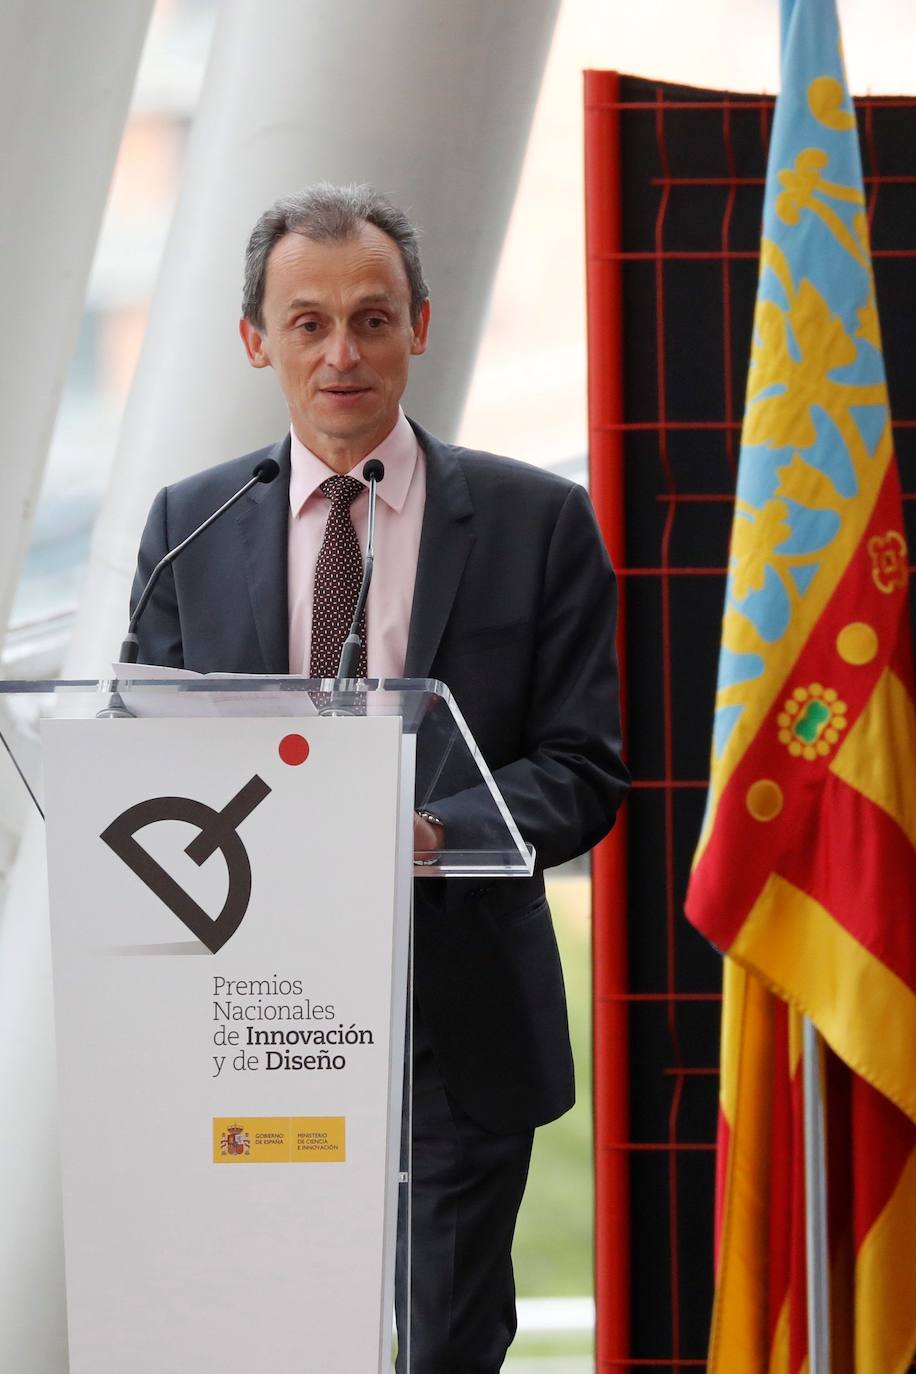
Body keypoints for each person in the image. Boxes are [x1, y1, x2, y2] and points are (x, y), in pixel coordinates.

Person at [131, 183, 629, 1372]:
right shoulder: (189, 524)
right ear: (258, 341)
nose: (341, 352)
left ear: (421, 325)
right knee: (263, 1339)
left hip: (457, 1017)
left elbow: (584, 770)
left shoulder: (537, 522)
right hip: (248, 1013)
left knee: (445, 1345)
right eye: (307, 322)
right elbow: (139, 755)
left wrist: (426, 832)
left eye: (371, 317)